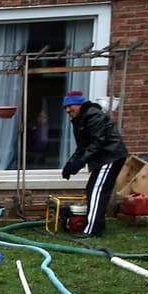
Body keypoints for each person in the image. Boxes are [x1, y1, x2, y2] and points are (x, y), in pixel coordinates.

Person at [61, 91, 129, 238]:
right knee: (93, 189)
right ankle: (97, 225)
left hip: (110, 155)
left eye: (70, 106)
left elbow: (97, 142)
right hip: (103, 157)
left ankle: (92, 229)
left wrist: (81, 162)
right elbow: (82, 147)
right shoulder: (79, 120)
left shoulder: (93, 116)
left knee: (97, 190)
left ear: (79, 104)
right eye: (65, 107)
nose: (68, 110)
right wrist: (70, 164)